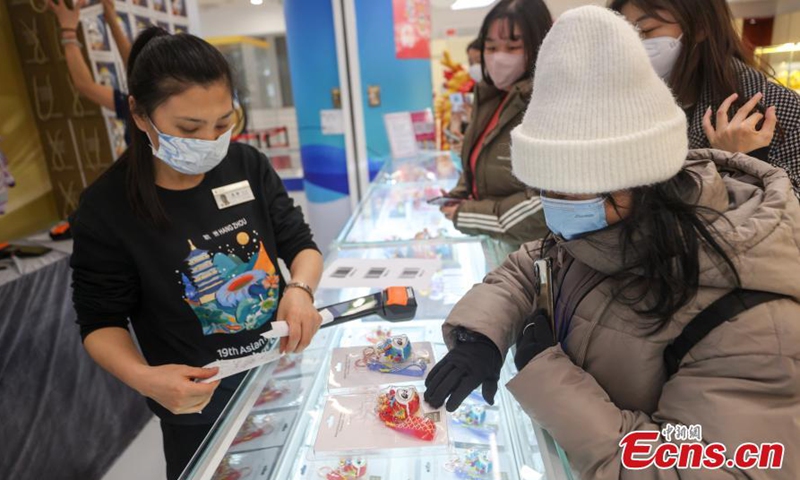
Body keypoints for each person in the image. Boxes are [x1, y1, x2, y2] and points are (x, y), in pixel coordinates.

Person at [425, 6, 800, 479]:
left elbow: (704, 467)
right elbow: (531, 263)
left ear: (640, 179)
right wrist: (480, 335)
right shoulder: (606, 224)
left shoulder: (752, 315)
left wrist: (551, 378)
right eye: (547, 189)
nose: (556, 210)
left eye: (572, 189)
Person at [69, 28, 324, 480]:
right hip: (199, 409)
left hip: (280, 378)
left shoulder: (247, 165)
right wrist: (146, 378)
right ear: (139, 113)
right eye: (189, 128)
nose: (209, 141)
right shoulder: (106, 207)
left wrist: (300, 290)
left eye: (224, 123)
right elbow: (100, 322)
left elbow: (300, 244)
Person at [611, 0, 800, 197]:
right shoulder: (622, 104)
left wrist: (736, 162)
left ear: (700, 26)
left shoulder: (776, 106)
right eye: (627, 33)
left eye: (647, 30)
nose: (636, 43)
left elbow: (790, 213)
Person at [441, 0, 552, 254]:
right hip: (501, 248)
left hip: (537, 258)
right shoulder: (491, 96)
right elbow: (478, 161)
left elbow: (547, 202)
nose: (499, 56)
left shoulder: (548, 104)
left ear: (539, 44)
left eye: (513, 46)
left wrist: (468, 214)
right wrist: (459, 193)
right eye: (491, 47)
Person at [49, 0, 133, 142]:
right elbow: (85, 85)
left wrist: (69, 32)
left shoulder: (148, 113)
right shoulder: (141, 108)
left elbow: (85, 85)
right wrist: (111, 19)